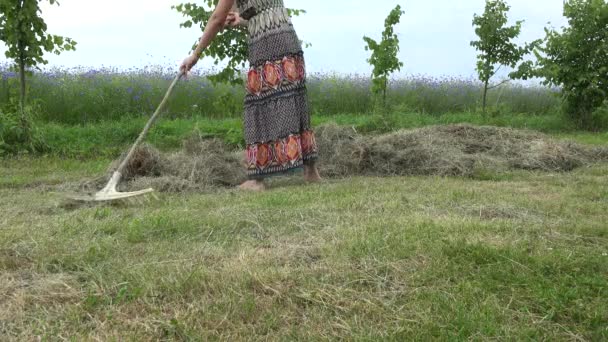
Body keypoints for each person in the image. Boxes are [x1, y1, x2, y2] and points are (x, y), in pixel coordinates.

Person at [180, 0, 321, 191]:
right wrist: (242, 19)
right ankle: (311, 172)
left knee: (258, 106)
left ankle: (257, 180)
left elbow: (216, 19)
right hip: (287, 34)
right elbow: (263, 9)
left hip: (267, 42)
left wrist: (194, 56)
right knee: (295, 98)